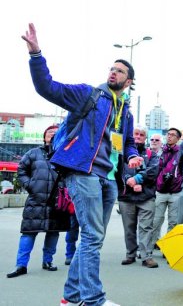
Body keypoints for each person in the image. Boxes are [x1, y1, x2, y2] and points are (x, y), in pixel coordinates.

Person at [23, 23, 143, 306]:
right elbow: (47, 87)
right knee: (91, 235)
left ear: (129, 81)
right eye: (111, 68)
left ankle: (71, 296)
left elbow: (126, 143)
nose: (113, 71)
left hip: (108, 178)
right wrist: (36, 55)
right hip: (83, 172)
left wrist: (134, 154)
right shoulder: (89, 95)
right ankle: (93, 300)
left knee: (93, 239)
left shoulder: (125, 112)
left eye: (120, 70)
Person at [7, 125, 67, 278]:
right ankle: (21, 265)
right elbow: (21, 171)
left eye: (56, 132)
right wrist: (30, 185)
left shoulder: (65, 154)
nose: (53, 134)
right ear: (44, 136)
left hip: (57, 201)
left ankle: (48, 261)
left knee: (53, 233)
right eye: (50, 132)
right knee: (28, 233)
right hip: (36, 200)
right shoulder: (33, 153)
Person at [118, 126, 159, 268]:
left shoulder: (151, 154)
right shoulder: (121, 153)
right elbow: (118, 171)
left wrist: (138, 179)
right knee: (129, 227)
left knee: (146, 227)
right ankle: (130, 254)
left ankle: (146, 256)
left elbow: (153, 171)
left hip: (146, 196)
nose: (138, 136)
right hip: (126, 196)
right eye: (136, 134)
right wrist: (130, 180)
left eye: (142, 134)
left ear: (145, 137)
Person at [152, 128, 183, 248]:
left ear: (178, 138)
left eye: (173, 135)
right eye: (168, 134)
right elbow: (155, 169)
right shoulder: (160, 152)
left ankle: (168, 247)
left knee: (173, 221)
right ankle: (152, 243)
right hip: (160, 190)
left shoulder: (181, 153)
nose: (169, 136)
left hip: (176, 191)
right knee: (156, 220)